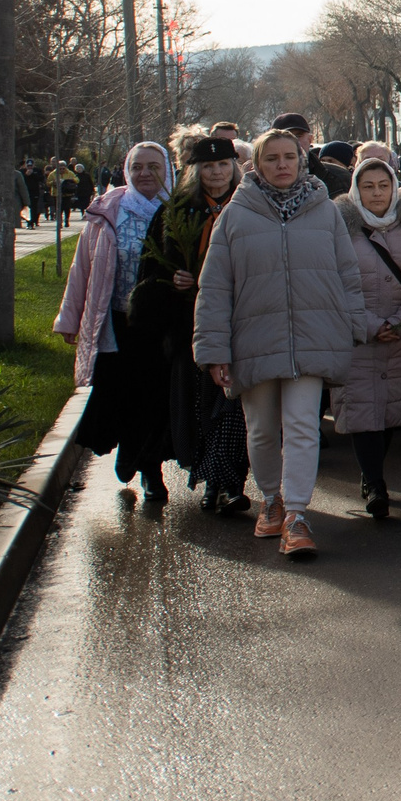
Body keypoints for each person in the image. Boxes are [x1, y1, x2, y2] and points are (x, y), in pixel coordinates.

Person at [193, 128, 366, 561]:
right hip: (253, 340)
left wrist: (354, 326)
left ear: (302, 160)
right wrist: (214, 351)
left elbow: (348, 273)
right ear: (256, 165)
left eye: (290, 156)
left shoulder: (324, 210)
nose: (282, 164)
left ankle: (297, 516)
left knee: (304, 426)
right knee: (262, 429)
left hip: (313, 337)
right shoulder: (235, 215)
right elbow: (214, 287)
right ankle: (271, 500)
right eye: (272, 158)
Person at [133, 132, 250, 514]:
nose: (216, 173)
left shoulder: (250, 205)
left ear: (234, 167)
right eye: (208, 166)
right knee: (200, 406)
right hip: (191, 328)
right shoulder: (176, 212)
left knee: (234, 407)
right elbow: (149, 272)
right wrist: (173, 280)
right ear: (194, 170)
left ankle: (229, 482)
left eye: (223, 164)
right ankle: (208, 477)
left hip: (243, 324)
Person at [57, 142, 177, 504]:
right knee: (121, 393)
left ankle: (150, 468)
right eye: (137, 166)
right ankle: (128, 449)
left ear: (167, 170)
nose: (145, 173)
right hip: (116, 322)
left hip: (162, 325)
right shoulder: (109, 211)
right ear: (126, 170)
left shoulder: (179, 211)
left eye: (153, 166)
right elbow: (82, 268)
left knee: (155, 398)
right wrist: (69, 319)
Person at [335, 157, 401, 519]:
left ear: (394, 186)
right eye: (368, 186)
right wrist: (370, 325)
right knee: (363, 412)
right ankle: (374, 482)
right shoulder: (339, 225)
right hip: (357, 337)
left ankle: (373, 474)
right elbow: (333, 283)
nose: (376, 193)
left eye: (383, 185)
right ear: (356, 190)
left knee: (392, 409)